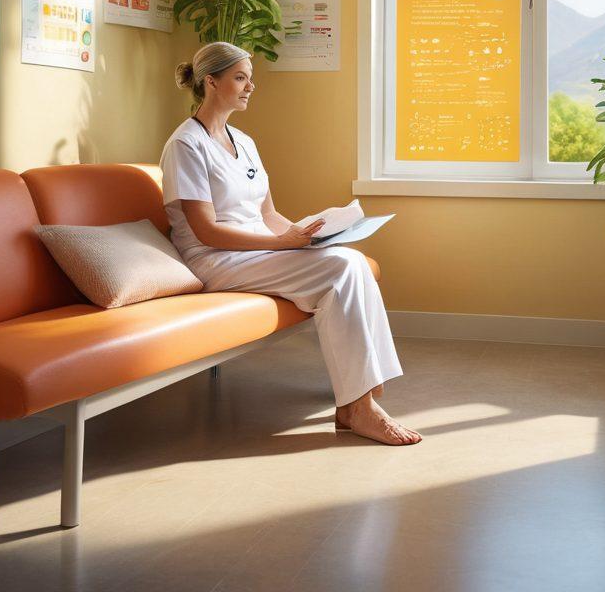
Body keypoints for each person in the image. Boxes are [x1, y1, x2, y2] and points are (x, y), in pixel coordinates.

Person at [159, 41, 421, 446]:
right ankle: (358, 407)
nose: (250, 87)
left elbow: (268, 215)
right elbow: (206, 231)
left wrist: (308, 236)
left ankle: (361, 399)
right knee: (342, 269)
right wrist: (284, 244)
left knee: (344, 257)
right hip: (215, 259)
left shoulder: (244, 141)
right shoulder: (185, 146)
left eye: (250, 79)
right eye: (240, 78)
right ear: (211, 82)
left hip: (259, 249)